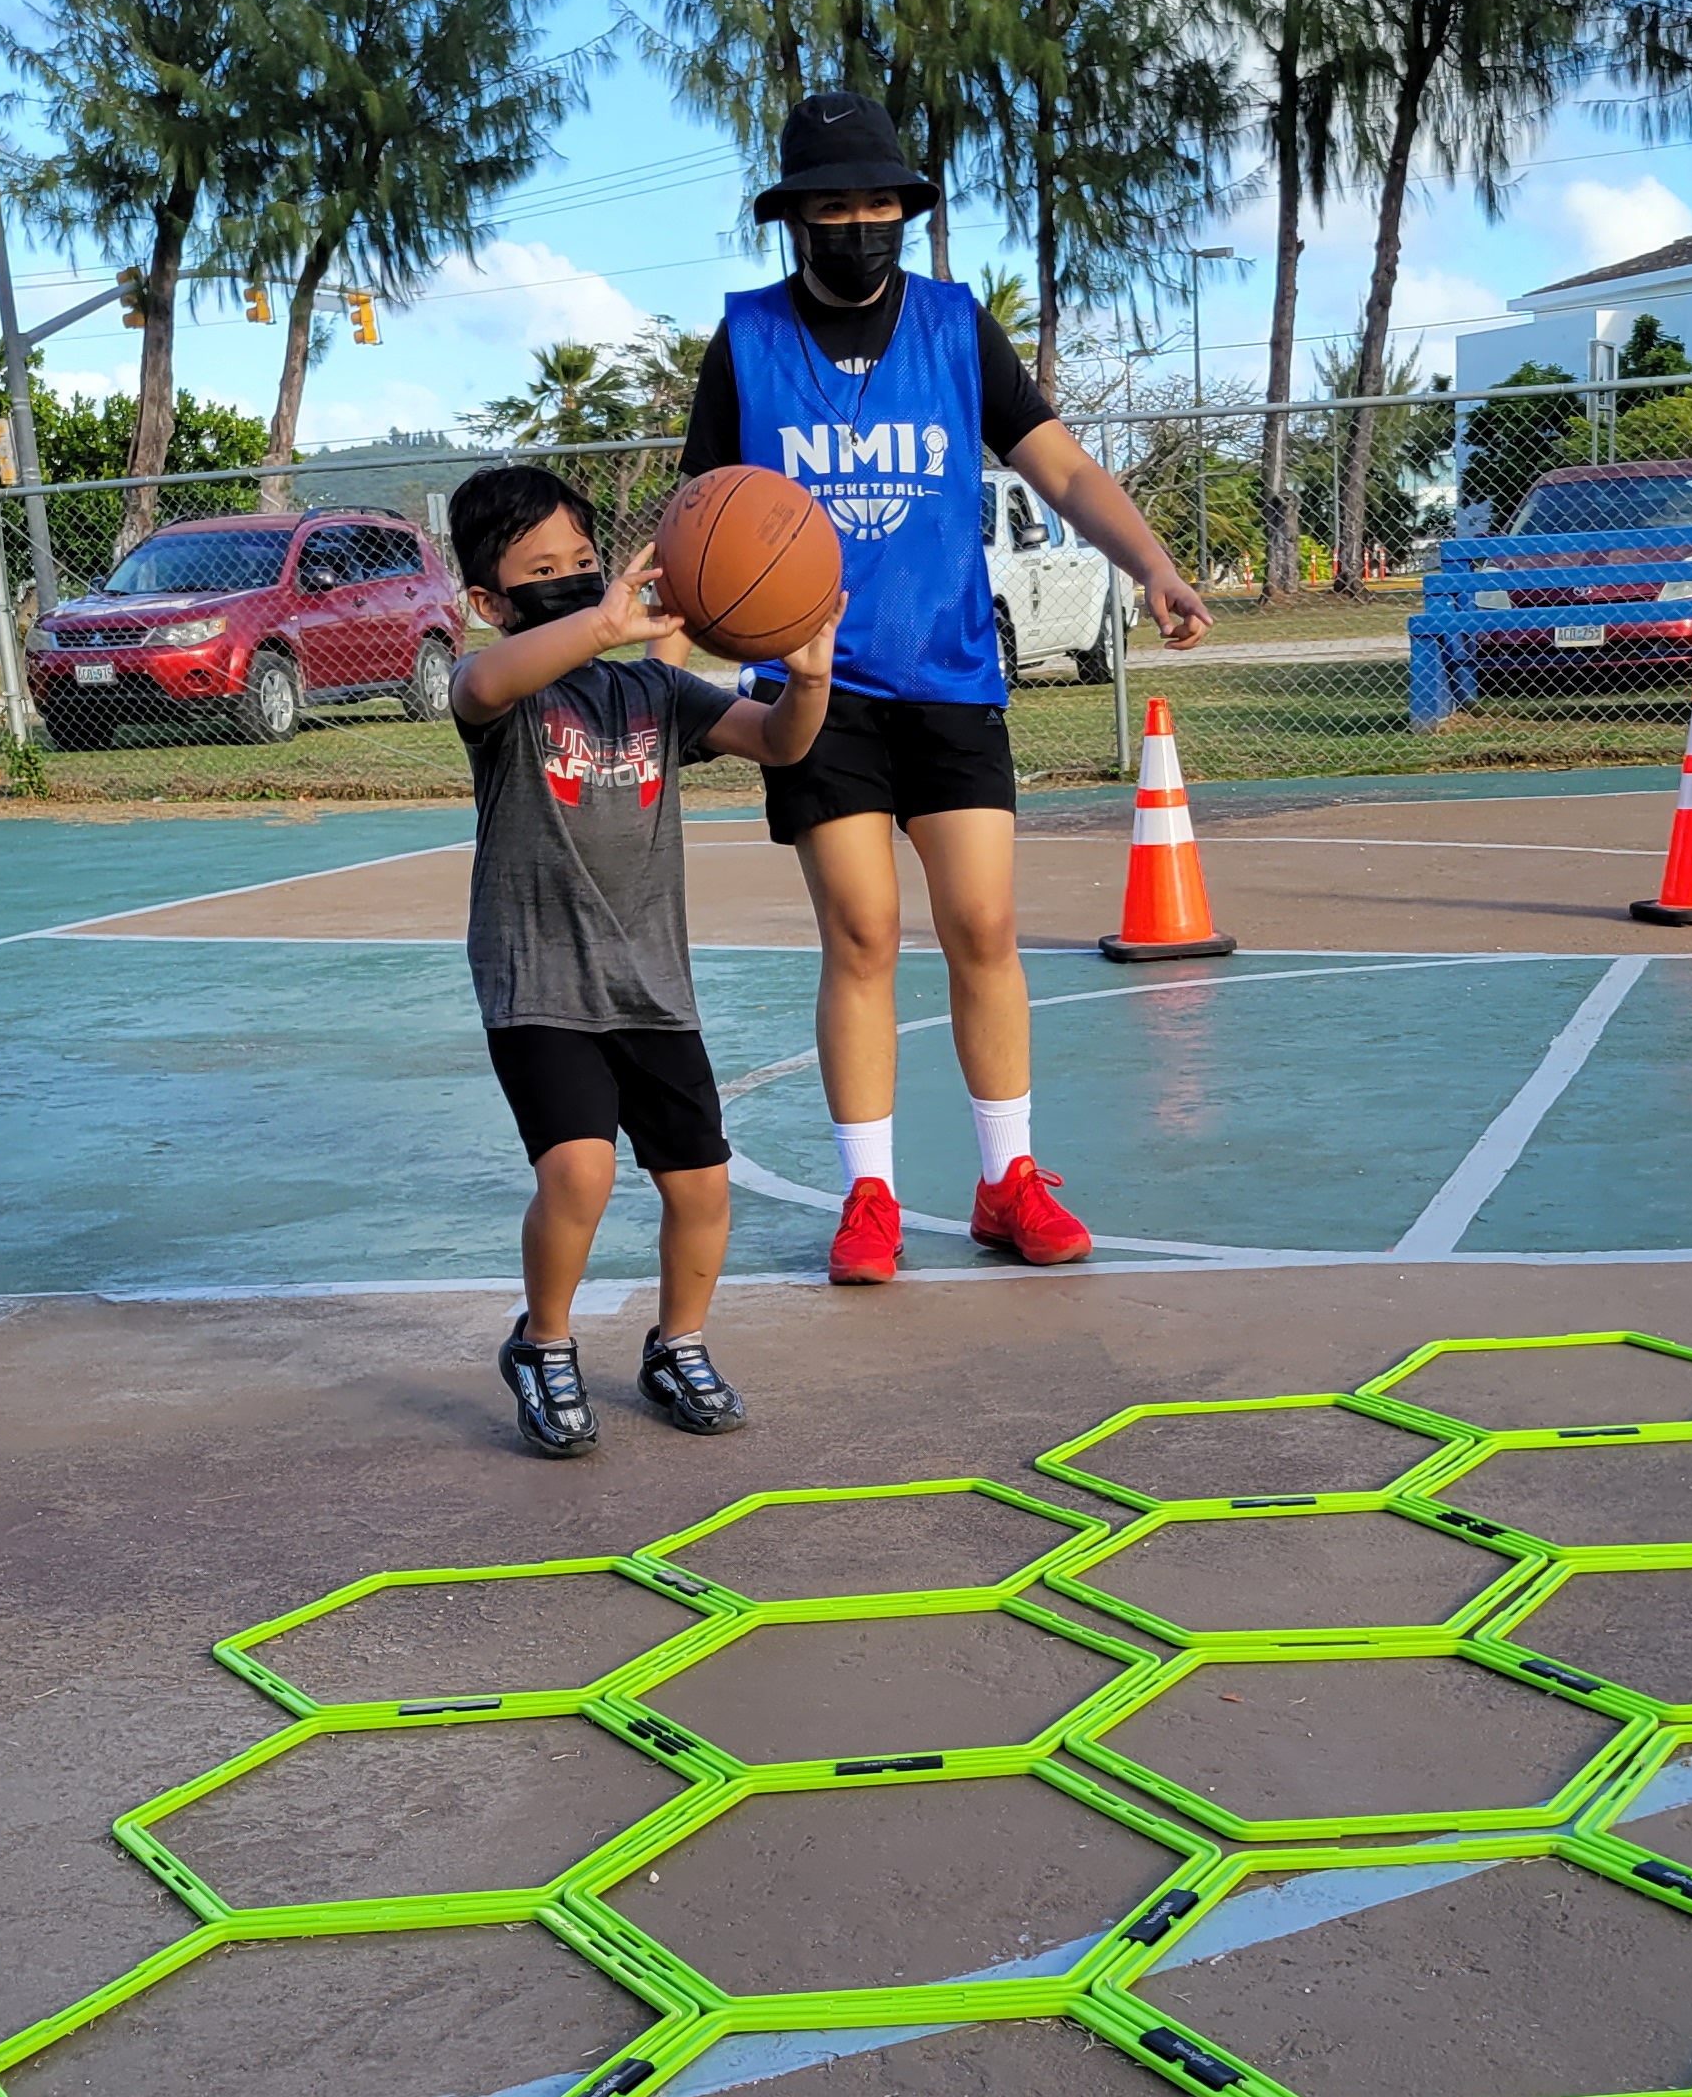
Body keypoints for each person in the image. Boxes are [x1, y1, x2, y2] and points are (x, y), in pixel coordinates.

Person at [681, 89, 1216, 1286]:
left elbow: (1061, 465)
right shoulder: (748, 341)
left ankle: (1006, 1179)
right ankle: (869, 1194)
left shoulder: (954, 328)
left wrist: (1154, 564)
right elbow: (699, 521)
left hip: (951, 672)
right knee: (861, 932)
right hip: (817, 683)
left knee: (982, 926)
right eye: (833, 208)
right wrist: (666, 653)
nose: (857, 224)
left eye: (877, 204)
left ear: (904, 212)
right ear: (795, 221)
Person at [446, 462, 840, 1457]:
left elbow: (781, 745)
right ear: (492, 601)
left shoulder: (656, 690)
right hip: (538, 981)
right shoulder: (507, 702)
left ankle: (679, 1344)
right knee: (578, 1173)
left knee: (701, 1183)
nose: (579, 577)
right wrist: (604, 620)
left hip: (650, 984)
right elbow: (479, 680)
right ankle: (543, 1343)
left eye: (586, 558)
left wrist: (811, 675)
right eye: (546, 569)